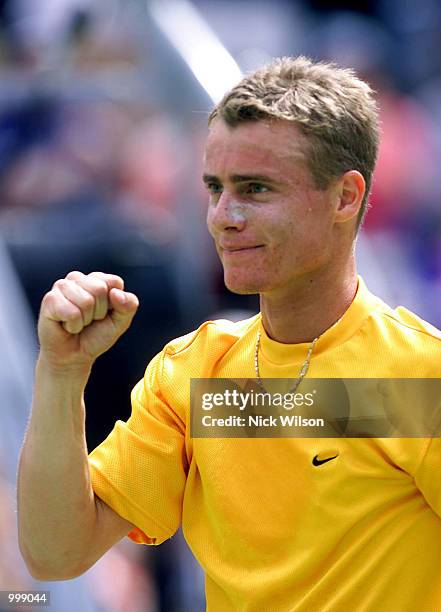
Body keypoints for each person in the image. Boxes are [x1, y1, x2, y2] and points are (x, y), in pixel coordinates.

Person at [17, 56, 441, 611]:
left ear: (345, 197)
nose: (222, 215)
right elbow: (55, 554)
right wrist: (61, 372)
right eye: (215, 187)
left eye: (256, 188)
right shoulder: (192, 374)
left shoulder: (419, 378)